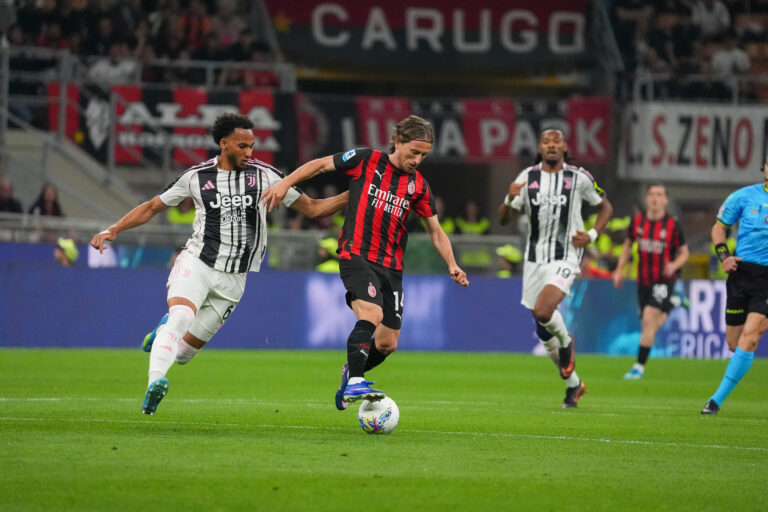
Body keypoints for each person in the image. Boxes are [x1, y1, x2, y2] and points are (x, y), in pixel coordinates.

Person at [89, 113, 348, 415]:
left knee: (184, 353)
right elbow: (152, 207)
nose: (249, 153)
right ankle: (155, 382)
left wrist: (352, 195)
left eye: (252, 146)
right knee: (181, 317)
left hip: (234, 281)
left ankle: (161, 334)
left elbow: (314, 209)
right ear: (223, 144)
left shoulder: (265, 176)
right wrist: (114, 229)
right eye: (243, 146)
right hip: (197, 262)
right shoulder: (196, 177)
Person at [261, 115, 469, 409]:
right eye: (414, 152)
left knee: (387, 343)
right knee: (370, 313)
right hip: (356, 254)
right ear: (398, 142)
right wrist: (286, 183)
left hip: (392, 267)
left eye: (423, 155)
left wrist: (452, 263)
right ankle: (357, 382)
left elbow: (435, 230)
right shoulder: (365, 160)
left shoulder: (418, 185)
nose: (418, 160)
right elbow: (319, 164)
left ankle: (352, 371)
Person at [498, 128, 613, 408]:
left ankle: (567, 341)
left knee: (544, 311)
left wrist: (592, 236)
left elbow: (605, 208)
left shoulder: (579, 177)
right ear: (540, 147)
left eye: (556, 142)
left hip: (566, 255)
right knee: (542, 329)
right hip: (534, 259)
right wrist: (507, 198)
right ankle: (574, 385)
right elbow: (503, 219)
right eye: (546, 142)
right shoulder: (526, 178)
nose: (551, 146)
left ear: (564, 147)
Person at [701, 158, 768, 415]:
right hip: (741, 274)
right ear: (764, 167)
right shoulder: (743, 196)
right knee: (735, 343)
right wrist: (723, 256)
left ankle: (715, 401)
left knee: (751, 336)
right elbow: (719, 228)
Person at [612, 183, 689, 379]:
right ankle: (674, 303)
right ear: (647, 199)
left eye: (659, 194)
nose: (655, 198)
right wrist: (619, 270)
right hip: (643, 280)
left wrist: (673, 266)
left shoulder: (673, 225)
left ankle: (638, 366)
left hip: (664, 279)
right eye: (652, 194)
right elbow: (628, 245)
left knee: (648, 320)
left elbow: (684, 253)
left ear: (665, 200)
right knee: (650, 323)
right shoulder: (637, 222)